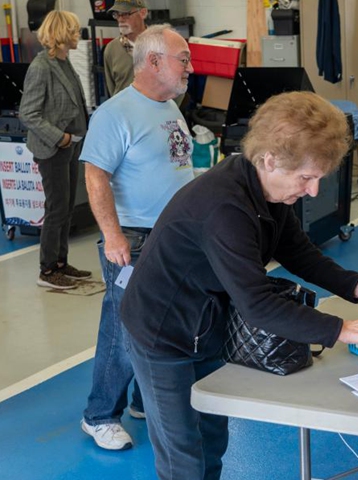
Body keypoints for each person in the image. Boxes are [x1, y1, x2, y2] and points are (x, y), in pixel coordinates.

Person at [118, 91, 358, 480]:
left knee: (213, 438)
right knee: (183, 457)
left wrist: (357, 286)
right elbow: (258, 305)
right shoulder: (225, 208)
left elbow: (297, 252)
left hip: (204, 323)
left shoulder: (265, 188)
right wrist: (341, 329)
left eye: (318, 178)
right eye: (306, 178)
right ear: (269, 159)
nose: (313, 191)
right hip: (163, 333)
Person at [80, 24, 195, 451]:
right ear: (153, 62)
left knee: (162, 323)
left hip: (170, 236)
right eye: (182, 58)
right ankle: (98, 415)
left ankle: (142, 399)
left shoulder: (169, 105)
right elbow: (95, 177)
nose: (190, 66)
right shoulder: (115, 113)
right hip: (134, 238)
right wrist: (112, 237)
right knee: (122, 330)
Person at [18, 10, 91, 290]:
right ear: (62, 34)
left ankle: (61, 262)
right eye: (73, 30)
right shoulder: (41, 67)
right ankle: (47, 271)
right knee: (57, 208)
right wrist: (59, 137)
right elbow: (28, 113)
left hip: (71, 146)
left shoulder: (64, 63)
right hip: (53, 148)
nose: (78, 35)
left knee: (67, 206)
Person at [104, 0, 148, 97]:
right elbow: (112, 89)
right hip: (122, 111)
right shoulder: (111, 49)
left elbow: (176, 83)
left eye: (126, 14)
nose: (120, 19)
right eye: (117, 15)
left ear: (143, 13)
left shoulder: (161, 44)